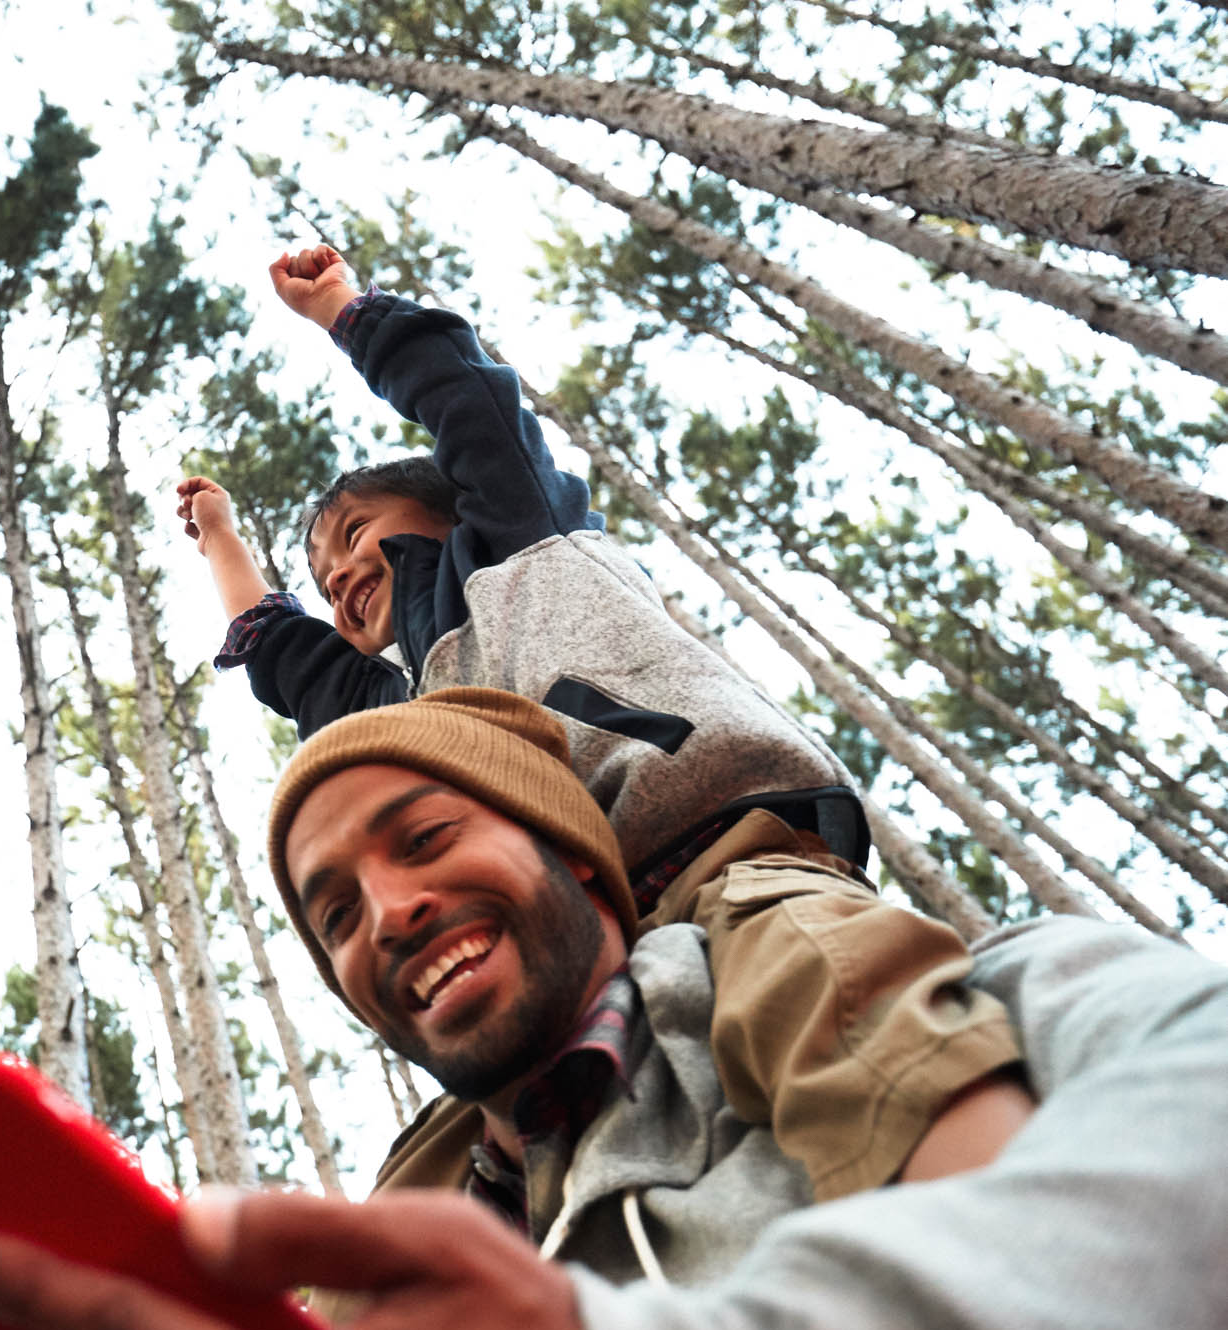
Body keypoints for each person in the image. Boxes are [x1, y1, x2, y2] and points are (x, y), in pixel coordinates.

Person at [0, 692, 1228, 1330]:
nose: (387, 913)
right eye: (333, 912)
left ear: (576, 856)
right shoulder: (387, 1300)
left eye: (427, 837)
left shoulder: (961, 993)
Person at [179, 248, 1025, 1205]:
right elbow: (290, 664)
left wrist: (342, 309)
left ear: (442, 508)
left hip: (716, 850)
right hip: (562, 948)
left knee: (827, 992)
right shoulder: (405, 719)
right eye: (324, 578)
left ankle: (1008, 1208)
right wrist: (221, 540)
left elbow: (470, 402)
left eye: (354, 534)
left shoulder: (518, 535)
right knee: (424, 1186)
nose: (337, 578)